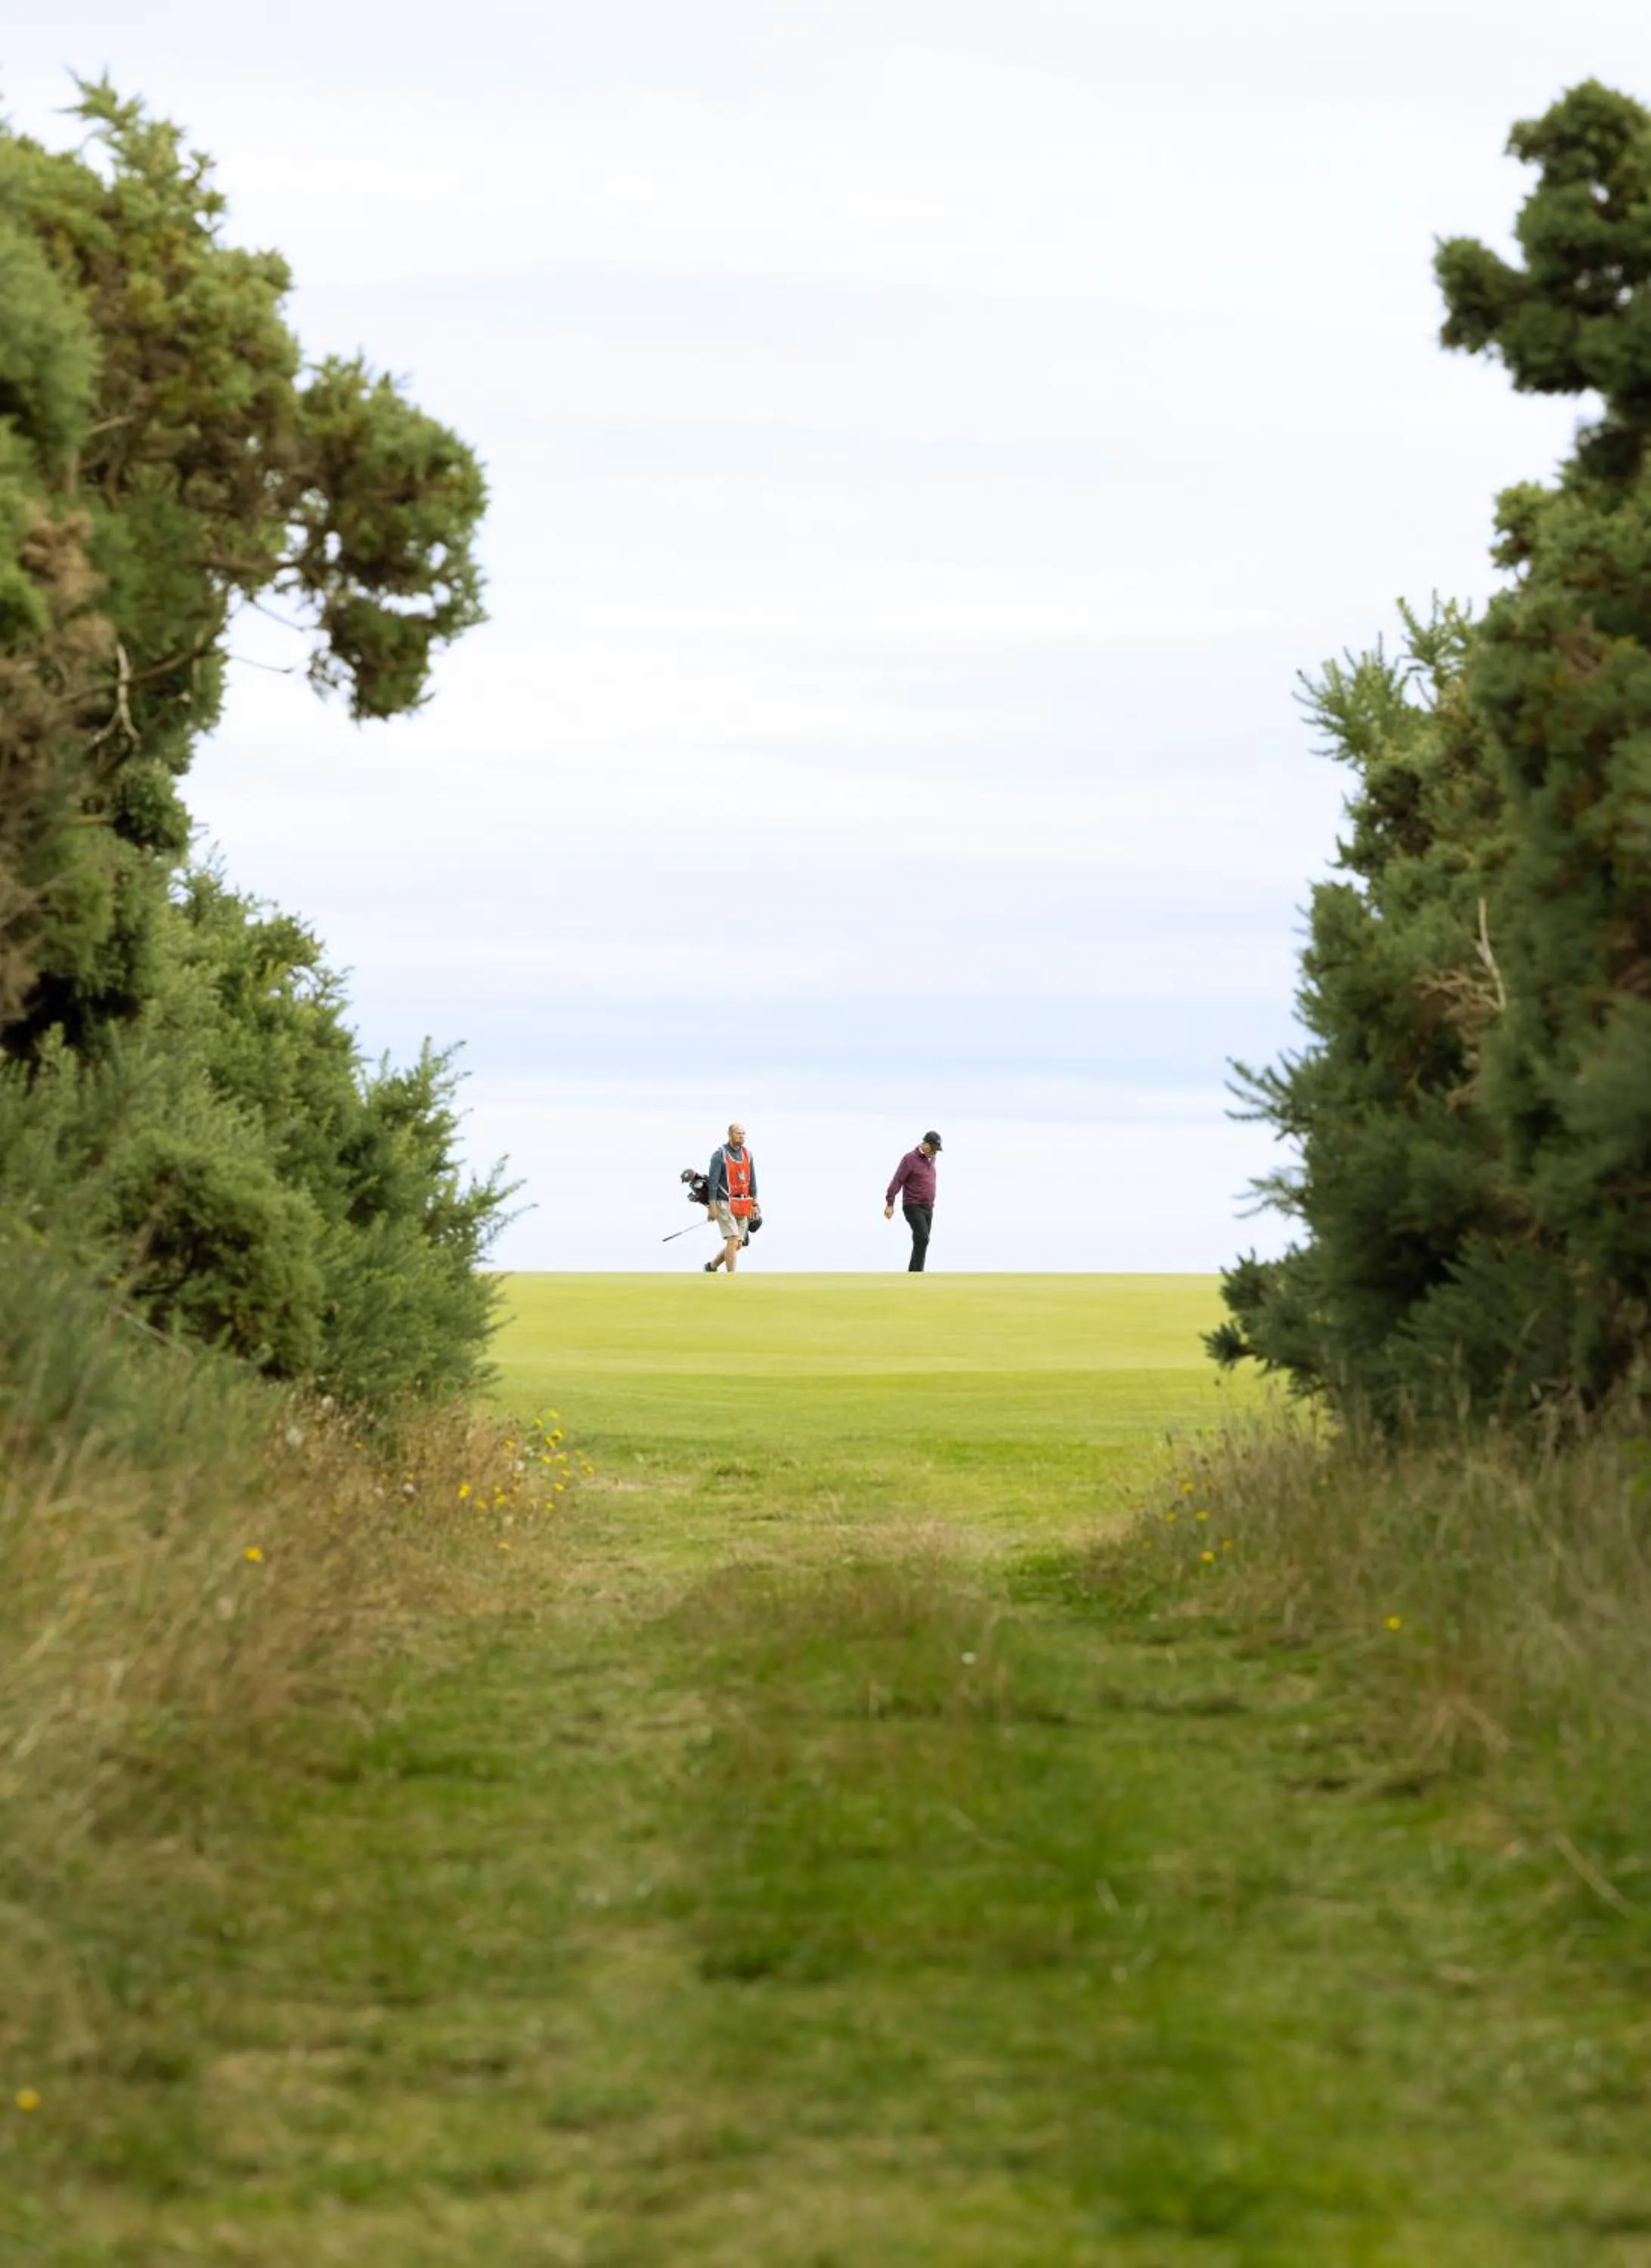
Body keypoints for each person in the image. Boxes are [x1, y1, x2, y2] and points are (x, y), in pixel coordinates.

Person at [704, 1120, 759, 1274]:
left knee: (737, 1244)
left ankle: (712, 1267)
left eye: (743, 1134)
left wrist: (755, 1204)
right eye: (738, 1133)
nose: (741, 1136)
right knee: (733, 1238)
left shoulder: (748, 1155)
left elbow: (752, 1182)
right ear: (730, 1134)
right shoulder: (719, 1154)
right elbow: (713, 1183)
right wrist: (712, 1206)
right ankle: (731, 1277)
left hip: (742, 1203)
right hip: (723, 1202)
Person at [884, 1131, 942, 1272]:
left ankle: (915, 1274)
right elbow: (897, 1180)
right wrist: (890, 1203)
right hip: (913, 1205)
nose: (935, 1153)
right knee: (923, 1238)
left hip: (928, 1206)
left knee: (921, 1241)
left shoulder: (931, 1159)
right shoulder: (910, 1159)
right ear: (926, 1145)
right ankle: (916, 1273)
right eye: (933, 1149)